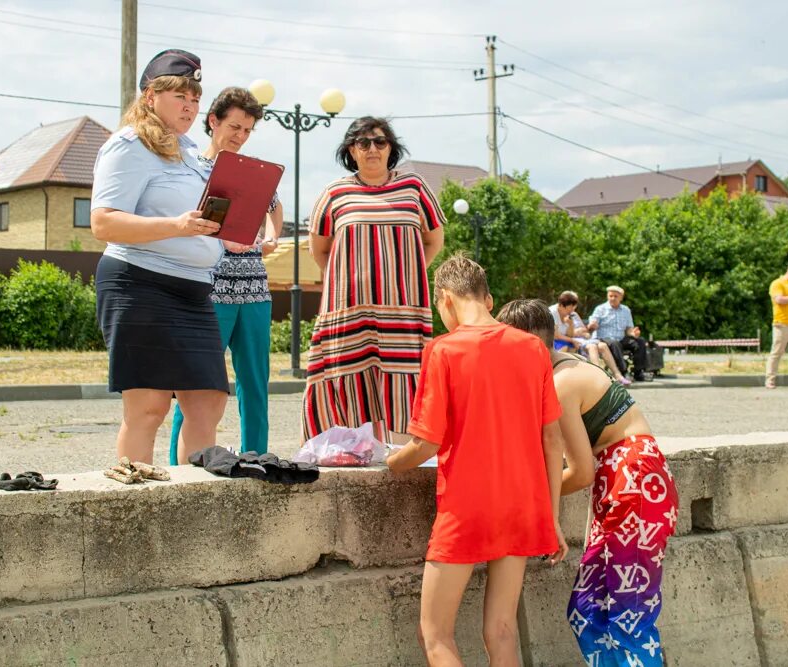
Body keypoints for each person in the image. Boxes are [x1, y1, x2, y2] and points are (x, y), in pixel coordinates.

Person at [387, 255, 567, 667]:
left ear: (445, 298)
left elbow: (426, 444)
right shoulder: (533, 349)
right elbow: (551, 438)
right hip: (523, 506)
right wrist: (551, 517)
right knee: (501, 630)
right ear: (488, 298)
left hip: (468, 507)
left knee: (435, 634)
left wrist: (393, 462)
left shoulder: (442, 349)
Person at [497, 298, 679, 667]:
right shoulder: (566, 367)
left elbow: (581, 472)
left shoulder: (562, 386)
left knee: (628, 618)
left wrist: (531, 498)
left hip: (633, 484)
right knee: (586, 613)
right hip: (627, 485)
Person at [91, 49, 228, 465]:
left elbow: (197, 218)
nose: (190, 107)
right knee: (148, 408)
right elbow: (104, 223)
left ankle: (192, 504)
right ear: (150, 96)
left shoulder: (191, 152)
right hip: (139, 283)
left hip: (193, 293)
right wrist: (178, 226)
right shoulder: (128, 146)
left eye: (195, 99)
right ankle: (135, 507)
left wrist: (228, 234)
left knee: (208, 403)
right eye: (179, 97)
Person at [302, 116, 445, 444]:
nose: (372, 149)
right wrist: (346, 279)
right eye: (363, 142)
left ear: (391, 148)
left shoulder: (415, 188)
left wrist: (407, 274)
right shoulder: (334, 192)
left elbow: (434, 241)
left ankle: (405, 456)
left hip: (403, 308)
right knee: (348, 376)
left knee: (405, 379)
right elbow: (319, 250)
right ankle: (352, 452)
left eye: (380, 142)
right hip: (349, 309)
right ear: (351, 150)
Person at [167, 86, 284, 462]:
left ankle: (257, 458)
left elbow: (274, 207)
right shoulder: (189, 168)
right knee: (195, 385)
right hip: (208, 290)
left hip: (254, 289)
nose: (240, 135)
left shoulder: (252, 170)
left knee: (255, 384)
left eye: (248, 130)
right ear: (213, 121)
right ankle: (181, 464)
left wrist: (271, 236)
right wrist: (221, 240)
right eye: (235, 126)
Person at [551, 291, 630, 386]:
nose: (572, 310)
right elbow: (556, 335)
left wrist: (571, 325)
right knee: (592, 347)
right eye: (571, 308)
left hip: (573, 340)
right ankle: (598, 376)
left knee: (603, 345)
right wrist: (573, 337)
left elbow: (577, 332)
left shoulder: (571, 314)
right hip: (559, 342)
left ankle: (618, 375)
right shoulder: (552, 312)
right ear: (562, 305)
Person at [588, 285, 647, 382]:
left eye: (615, 296)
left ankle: (638, 371)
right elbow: (592, 325)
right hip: (605, 338)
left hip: (621, 338)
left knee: (640, 342)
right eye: (610, 296)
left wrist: (633, 333)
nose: (612, 298)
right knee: (615, 344)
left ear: (621, 297)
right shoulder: (600, 309)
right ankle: (623, 371)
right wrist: (592, 325)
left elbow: (628, 329)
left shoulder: (626, 310)